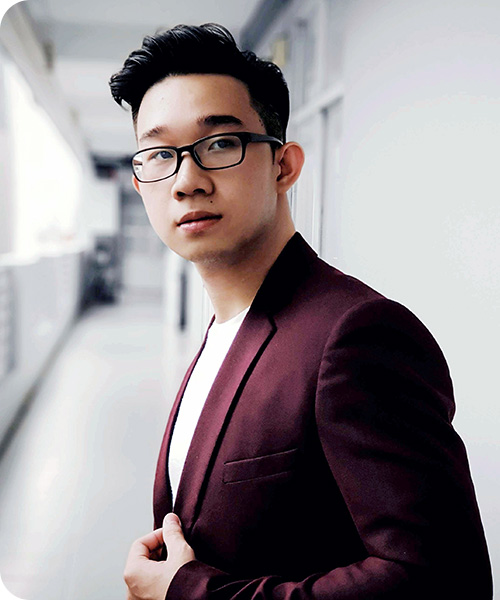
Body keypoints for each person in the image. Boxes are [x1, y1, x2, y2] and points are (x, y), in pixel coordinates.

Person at [109, 23, 492, 600]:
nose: (186, 181)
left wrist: (189, 592)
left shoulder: (357, 335)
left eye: (220, 144)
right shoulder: (226, 329)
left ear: (284, 166)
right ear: (141, 184)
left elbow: (443, 579)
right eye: (161, 153)